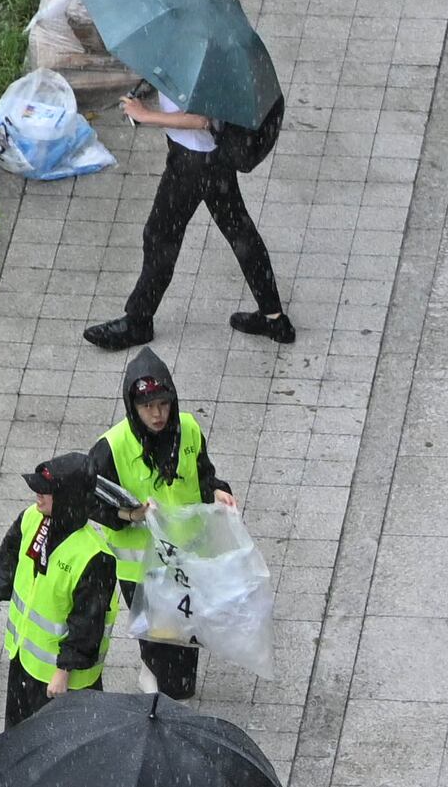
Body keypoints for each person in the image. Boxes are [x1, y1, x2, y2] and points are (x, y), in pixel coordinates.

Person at [85, 78, 293, 351]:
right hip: (212, 158)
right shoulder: (195, 48)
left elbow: (203, 119)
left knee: (160, 237)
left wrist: (146, 115)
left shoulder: (199, 62)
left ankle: (138, 321)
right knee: (239, 230)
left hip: (194, 163)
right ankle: (274, 318)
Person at [96, 351, 234, 699]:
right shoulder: (111, 448)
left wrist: (217, 491)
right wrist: (130, 515)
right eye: (147, 407)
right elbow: (90, 503)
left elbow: (203, 474)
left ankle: (159, 672)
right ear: (133, 407)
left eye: (162, 404)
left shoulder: (187, 428)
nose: (157, 415)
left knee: (188, 639)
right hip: (142, 570)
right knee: (166, 654)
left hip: (186, 559)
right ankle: (158, 677)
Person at [0, 451, 133, 727]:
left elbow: (86, 622)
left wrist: (63, 670)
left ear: (68, 498)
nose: (38, 496)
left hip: (65, 680)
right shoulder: (32, 519)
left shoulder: (94, 556)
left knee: (66, 746)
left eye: (46, 491)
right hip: (24, 660)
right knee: (20, 736)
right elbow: (7, 564)